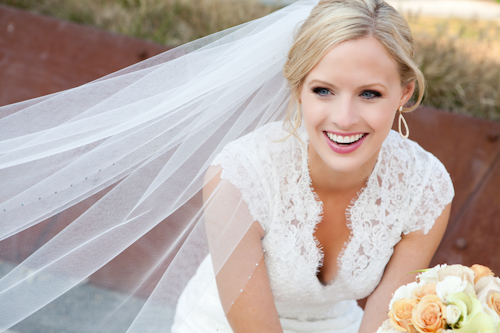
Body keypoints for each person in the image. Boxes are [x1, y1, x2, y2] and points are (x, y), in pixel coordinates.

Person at [0, 0, 453, 332]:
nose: (345, 118)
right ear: (297, 89)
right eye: (323, 90)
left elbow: (385, 322)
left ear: (405, 93)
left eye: (370, 94)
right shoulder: (240, 175)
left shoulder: (425, 189)